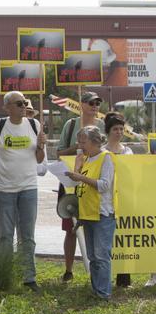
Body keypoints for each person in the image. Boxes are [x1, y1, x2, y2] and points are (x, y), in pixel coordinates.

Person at [0, 91, 46, 293]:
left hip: (28, 187)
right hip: (5, 189)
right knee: (4, 235)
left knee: (27, 235)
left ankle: (29, 278)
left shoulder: (34, 125)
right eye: (18, 103)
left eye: (24, 103)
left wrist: (42, 146)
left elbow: (38, 159)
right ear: (7, 107)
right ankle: (1, 276)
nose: (23, 106)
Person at [56, 92, 105, 283]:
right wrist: (77, 147)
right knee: (71, 229)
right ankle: (68, 270)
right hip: (71, 183)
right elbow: (59, 152)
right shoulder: (70, 126)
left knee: (97, 227)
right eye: (91, 102)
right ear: (81, 105)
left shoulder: (102, 126)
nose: (95, 106)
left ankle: (98, 271)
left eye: (98, 103)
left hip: (93, 184)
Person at [66, 126, 115, 300]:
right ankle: (97, 290)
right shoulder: (86, 159)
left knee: (101, 256)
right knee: (92, 256)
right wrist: (78, 168)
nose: (79, 145)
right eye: (78, 141)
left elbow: (104, 185)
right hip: (87, 214)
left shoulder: (105, 157)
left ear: (95, 142)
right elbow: (79, 188)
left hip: (102, 214)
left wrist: (80, 177)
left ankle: (103, 293)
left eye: (83, 141)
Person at [102, 112, 139, 288]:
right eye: (115, 129)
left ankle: (124, 278)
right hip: (107, 201)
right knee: (108, 240)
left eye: (121, 129)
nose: (118, 132)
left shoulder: (128, 151)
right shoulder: (102, 152)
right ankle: (105, 278)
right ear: (108, 131)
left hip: (125, 199)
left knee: (124, 238)